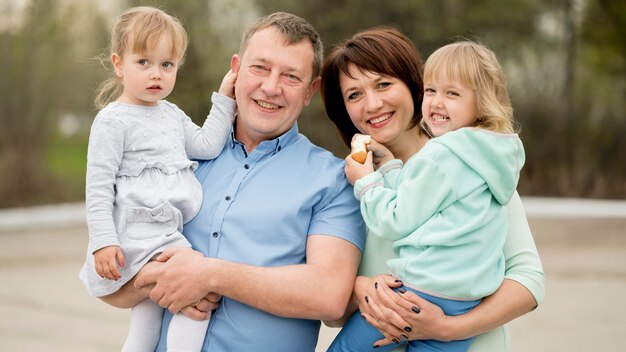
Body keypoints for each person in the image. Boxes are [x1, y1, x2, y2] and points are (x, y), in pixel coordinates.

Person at [99, 11, 366, 352]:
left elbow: (329, 294)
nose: (271, 87)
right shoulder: (177, 156)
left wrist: (210, 275)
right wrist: (158, 281)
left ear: (310, 89)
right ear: (236, 70)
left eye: (291, 76)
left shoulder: (332, 179)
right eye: (260, 67)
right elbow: (110, 278)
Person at [320, 28, 545, 351]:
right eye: (354, 95)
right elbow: (331, 309)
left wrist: (449, 328)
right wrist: (358, 288)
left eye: (383, 84)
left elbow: (528, 280)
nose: (372, 104)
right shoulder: (350, 183)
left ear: (414, 86)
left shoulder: (471, 166)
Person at [79, 6, 237, 352]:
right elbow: (99, 187)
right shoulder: (113, 121)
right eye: (144, 62)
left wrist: (225, 98)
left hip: (165, 231)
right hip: (137, 234)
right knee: (197, 291)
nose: (157, 74)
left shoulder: (171, 114)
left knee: (147, 319)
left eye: (167, 65)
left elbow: (207, 145)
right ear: (119, 64)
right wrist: (103, 242)